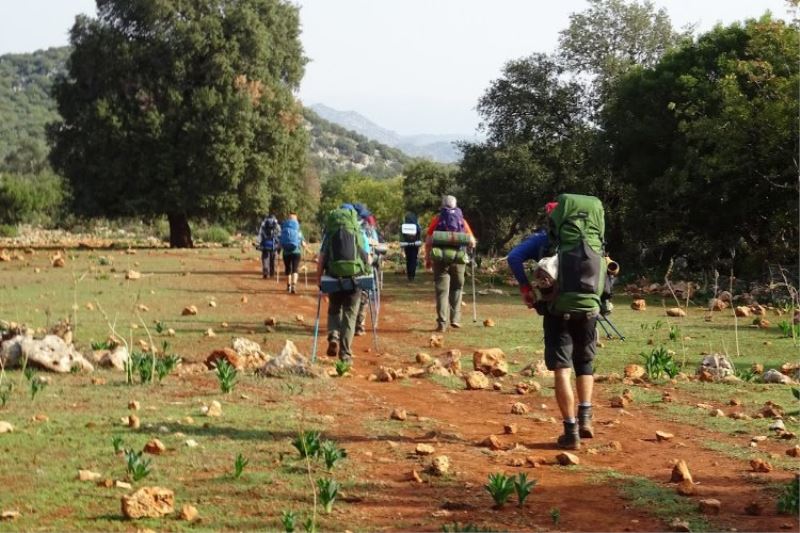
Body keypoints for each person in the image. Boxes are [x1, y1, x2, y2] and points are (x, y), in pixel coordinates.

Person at [507, 197, 609, 450]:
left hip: (557, 310)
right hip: (588, 309)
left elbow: (514, 257)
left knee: (562, 368)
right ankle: (586, 417)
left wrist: (525, 287)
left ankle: (570, 430)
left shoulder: (545, 240)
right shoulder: (593, 241)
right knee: (585, 363)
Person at [317, 204, 372, 362]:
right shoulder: (358, 232)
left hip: (334, 276)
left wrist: (319, 280)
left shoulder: (330, 234)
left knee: (334, 309)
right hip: (354, 279)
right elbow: (366, 258)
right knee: (350, 315)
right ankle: (345, 354)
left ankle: (333, 336)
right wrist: (368, 269)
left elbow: (321, 259)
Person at [424, 195, 476, 332]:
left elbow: (428, 241)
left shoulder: (437, 219)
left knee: (442, 292)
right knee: (457, 289)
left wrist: (428, 260)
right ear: (456, 205)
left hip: (440, 260)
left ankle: (442, 323)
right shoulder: (462, 221)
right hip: (459, 260)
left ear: (442, 206)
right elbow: (472, 241)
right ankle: (456, 320)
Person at [355, 207, 383, 336]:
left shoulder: (343, 226)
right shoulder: (368, 228)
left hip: (345, 267)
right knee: (364, 294)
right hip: (365, 265)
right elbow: (377, 246)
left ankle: (345, 325)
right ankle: (360, 326)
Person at [279, 213, 307, 294]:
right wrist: (304, 246)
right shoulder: (298, 231)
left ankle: (288, 286)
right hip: (296, 252)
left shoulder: (284, 230)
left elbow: (280, 243)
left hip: (286, 252)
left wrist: (278, 249)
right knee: (295, 269)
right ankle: (294, 285)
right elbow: (303, 243)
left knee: (288, 269)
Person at [257, 214, 280, 279]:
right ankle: (272, 273)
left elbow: (260, 234)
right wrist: (278, 244)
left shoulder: (263, 225)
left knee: (265, 259)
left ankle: (265, 272)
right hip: (274, 245)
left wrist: (258, 243)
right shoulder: (277, 225)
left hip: (265, 245)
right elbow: (279, 235)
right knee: (273, 259)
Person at [400, 212, 422, 281]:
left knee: (408, 259)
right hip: (415, 244)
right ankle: (412, 275)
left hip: (406, 244)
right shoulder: (417, 225)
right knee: (414, 259)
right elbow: (419, 234)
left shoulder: (404, 226)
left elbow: (402, 236)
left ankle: (409, 275)